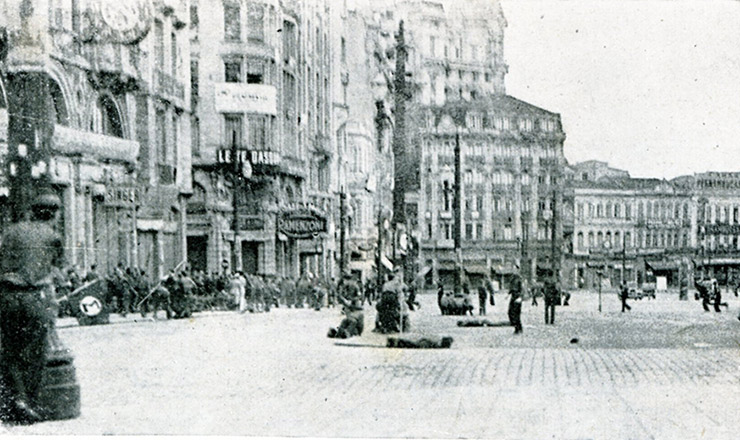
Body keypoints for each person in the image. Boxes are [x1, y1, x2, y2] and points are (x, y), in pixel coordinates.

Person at [0, 189, 66, 423]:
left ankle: (15, 398)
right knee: (36, 352)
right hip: (34, 298)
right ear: (55, 214)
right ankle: (28, 402)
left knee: (9, 351)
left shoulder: (10, 231)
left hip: (6, 296)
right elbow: (57, 268)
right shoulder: (53, 236)